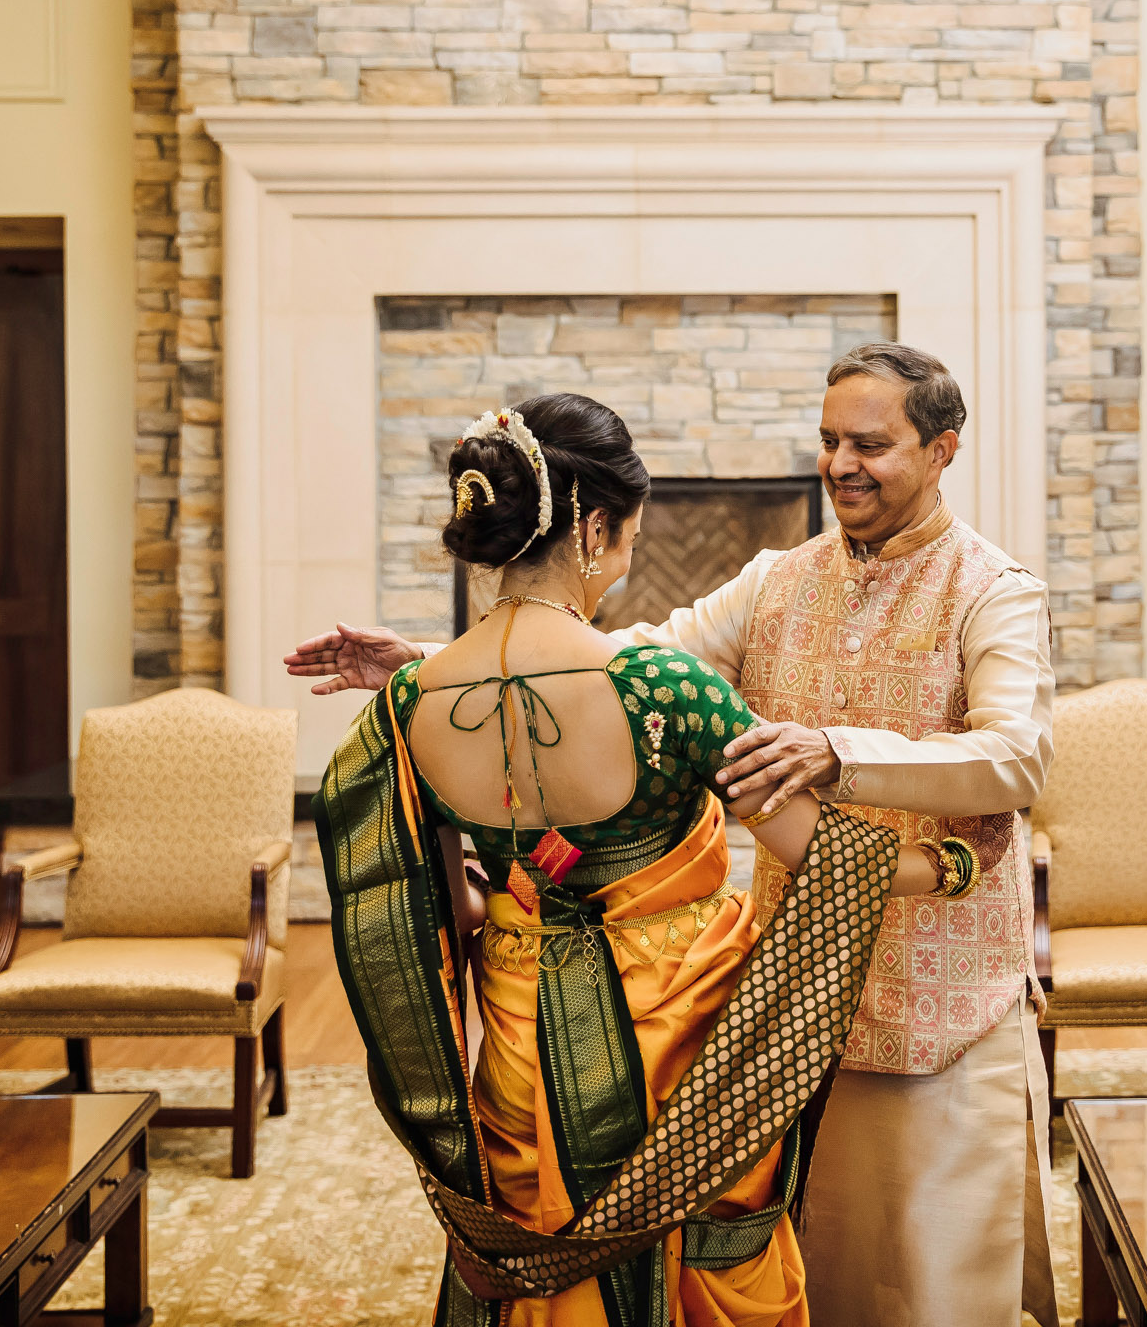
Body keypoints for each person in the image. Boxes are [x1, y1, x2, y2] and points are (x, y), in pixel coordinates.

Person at [293, 345, 1058, 1327]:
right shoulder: (777, 576)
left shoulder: (996, 589)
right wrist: (447, 664)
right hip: (780, 1002)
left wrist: (838, 752)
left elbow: (1017, 758)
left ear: (944, 447)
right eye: (828, 441)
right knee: (798, 1257)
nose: (839, 464)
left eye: (870, 443)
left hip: (934, 1008)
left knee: (929, 1281)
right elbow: (613, 668)